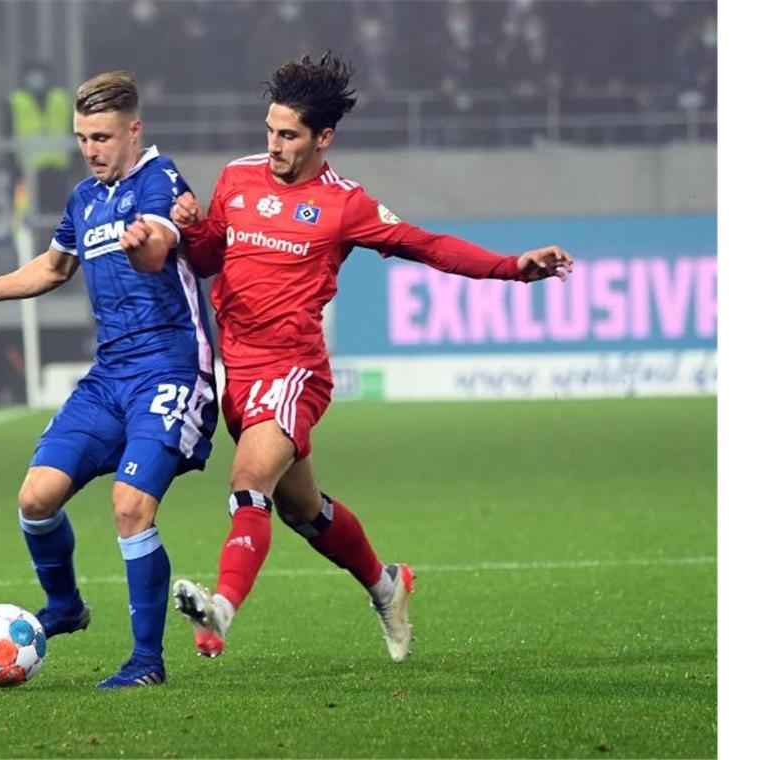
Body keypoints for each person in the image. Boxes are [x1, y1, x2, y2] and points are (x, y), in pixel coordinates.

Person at [169, 52, 573, 662]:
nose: (273, 145)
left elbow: (427, 245)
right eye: (269, 130)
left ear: (323, 138)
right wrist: (194, 228)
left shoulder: (344, 205)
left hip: (293, 371)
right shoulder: (236, 178)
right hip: (240, 373)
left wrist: (512, 268)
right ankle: (386, 585)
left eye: (289, 135)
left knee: (249, 483)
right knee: (303, 510)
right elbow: (205, 262)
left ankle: (221, 607)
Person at [0, 70, 218, 688]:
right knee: (35, 499)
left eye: (103, 136)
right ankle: (64, 606)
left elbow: (160, 243)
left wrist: (144, 241)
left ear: (134, 130)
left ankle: (146, 660)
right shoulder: (86, 198)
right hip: (110, 376)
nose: (91, 148)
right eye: (83, 137)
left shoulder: (161, 181)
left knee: (129, 505)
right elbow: (55, 266)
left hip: (170, 370)